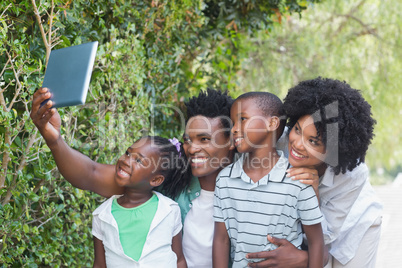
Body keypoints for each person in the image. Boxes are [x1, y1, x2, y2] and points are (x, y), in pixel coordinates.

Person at [30, 87, 235, 267]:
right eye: (188, 140)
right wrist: (55, 139)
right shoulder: (171, 175)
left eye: (205, 139)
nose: (193, 148)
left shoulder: (250, 186)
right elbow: (91, 174)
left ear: (231, 141)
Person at [246, 77, 383, 268]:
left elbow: (326, 236)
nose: (297, 144)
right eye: (297, 129)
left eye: (313, 142)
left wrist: (313, 196)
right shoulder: (280, 141)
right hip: (310, 234)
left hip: (354, 223)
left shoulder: (352, 176)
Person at [213, 92, 324, 268]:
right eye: (233, 122)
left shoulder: (298, 181)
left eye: (242, 119)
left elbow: (316, 242)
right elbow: (221, 240)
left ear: (272, 123)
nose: (234, 128)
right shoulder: (224, 179)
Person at [92, 136, 187, 267]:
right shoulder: (101, 215)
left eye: (138, 160)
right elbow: (99, 265)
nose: (126, 161)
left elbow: (179, 260)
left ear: (156, 180)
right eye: (127, 153)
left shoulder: (169, 210)